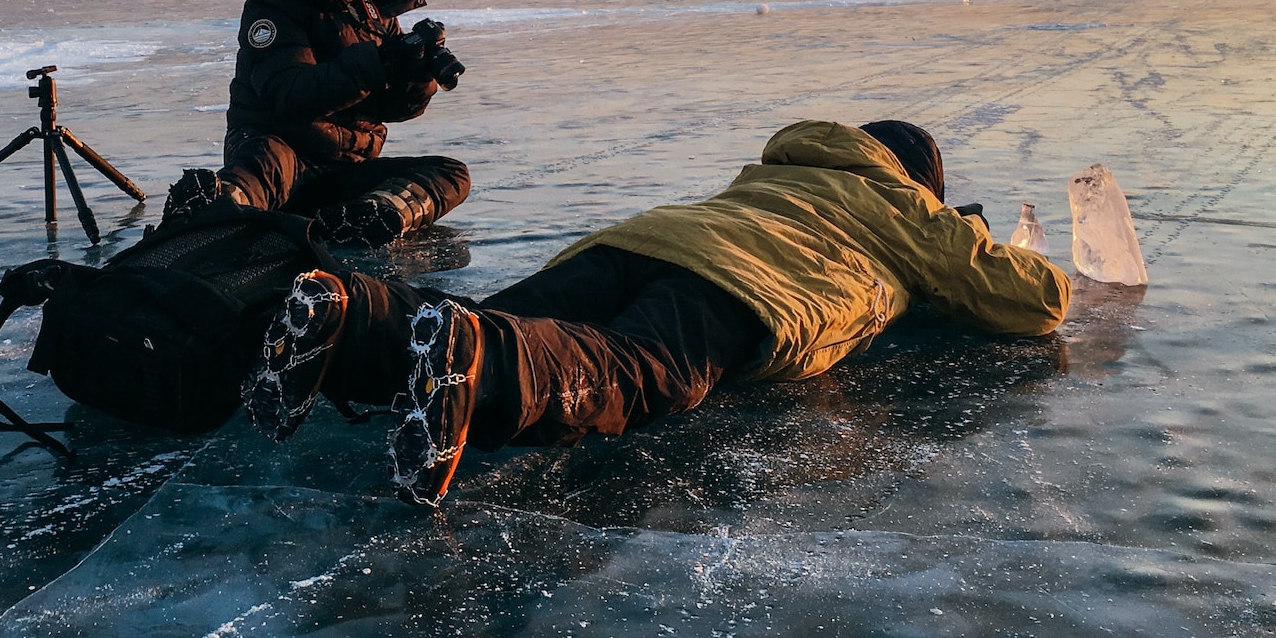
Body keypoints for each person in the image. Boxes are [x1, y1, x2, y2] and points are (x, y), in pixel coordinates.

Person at [241, 119, 1069, 506]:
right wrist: (961, 230)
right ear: (913, 177)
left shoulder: (777, 172)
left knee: (488, 322)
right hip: (742, 287)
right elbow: (1033, 302)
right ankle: (482, 363)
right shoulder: (900, 204)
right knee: (633, 369)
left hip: (637, 242)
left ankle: (351, 321)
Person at [164, 0, 471, 247]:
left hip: (344, 167)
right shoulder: (273, 3)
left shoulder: (375, 9)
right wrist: (378, 62)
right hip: (283, 150)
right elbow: (290, 94)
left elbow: (391, 109)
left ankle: (371, 216)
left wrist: (416, 76)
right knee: (263, 165)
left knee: (451, 174)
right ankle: (207, 212)